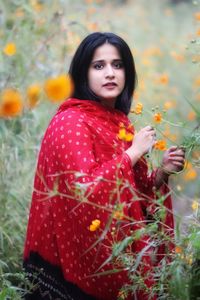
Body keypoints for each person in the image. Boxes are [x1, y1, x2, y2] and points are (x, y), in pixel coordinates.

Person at [23, 32, 185, 300]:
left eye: (117, 65)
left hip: (111, 254)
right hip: (68, 264)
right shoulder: (71, 121)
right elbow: (84, 189)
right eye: (98, 66)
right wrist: (133, 151)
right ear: (82, 74)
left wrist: (162, 173)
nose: (110, 73)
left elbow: (133, 192)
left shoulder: (118, 121)